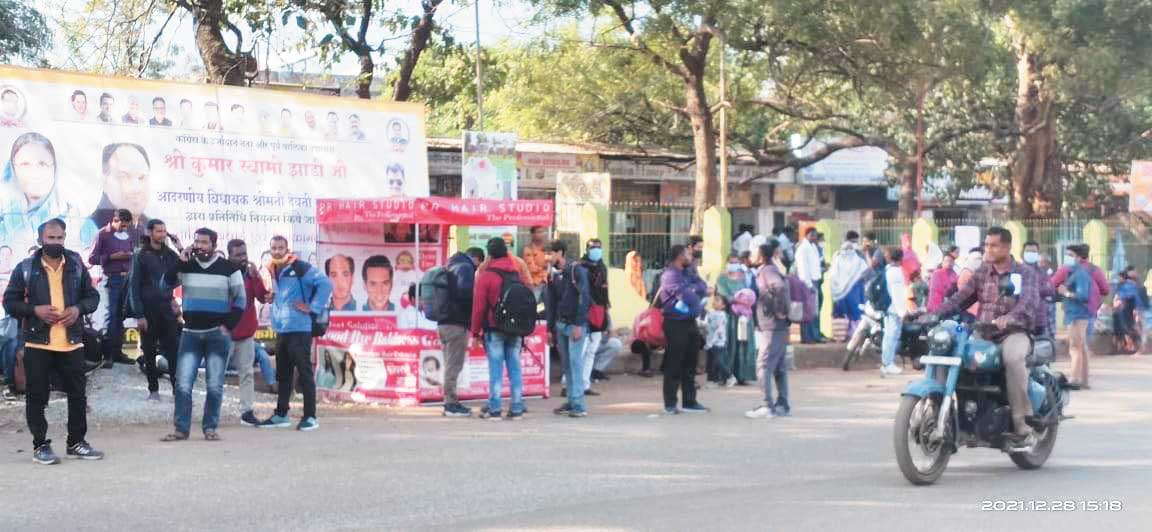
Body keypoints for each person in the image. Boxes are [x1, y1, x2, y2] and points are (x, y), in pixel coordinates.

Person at [927, 227, 1041, 448]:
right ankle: (947, 416)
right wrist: (932, 314)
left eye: (993, 245)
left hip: (1014, 333)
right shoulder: (981, 272)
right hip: (983, 333)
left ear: (1007, 247)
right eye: (986, 244)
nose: (988, 249)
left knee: (1012, 358)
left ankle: (1023, 426)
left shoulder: (1024, 273)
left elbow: (1029, 302)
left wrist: (1010, 316)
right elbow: (960, 298)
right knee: (951, 354)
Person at [2, 219, 104, 464]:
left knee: (78, 396)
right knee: (37, 396)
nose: (56, 243)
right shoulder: (26, 268)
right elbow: (9, 302)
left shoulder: (76, 264)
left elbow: (92, 297)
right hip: (38, 343)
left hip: (72, 342)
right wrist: (35, 310)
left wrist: (79, 309)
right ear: (40, 240)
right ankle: (40, 446)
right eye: (51, 238)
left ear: (64, 238)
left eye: (59, 238)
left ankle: (76, 442)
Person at [161, 228, 245, 442]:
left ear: (214, 245)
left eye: (204, 242)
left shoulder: (229, 268)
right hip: (190, 334)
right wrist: (179, 262)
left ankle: (210, 428)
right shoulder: (186, 265)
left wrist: (228, 326)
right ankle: (181, 429)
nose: (199, 246)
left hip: (218, 335)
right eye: (197, 241)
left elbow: (241, 300)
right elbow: (164, 285)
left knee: (215, 385)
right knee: (182, 384)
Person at [254, 236, 331, 431]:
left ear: (288, 249)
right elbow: (286, 293)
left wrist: (313, 307)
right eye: (274, 248)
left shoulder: (300, 267)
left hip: (300, 329)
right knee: (284, 375)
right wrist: (274, 296)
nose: (277, 251)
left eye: (281, 248)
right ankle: (281, 414)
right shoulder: (274, 268)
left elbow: (325, 283)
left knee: (304, 374)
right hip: (281, 329)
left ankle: (310, 416)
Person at [1, 132, 97, 253]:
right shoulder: (4, 221)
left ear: (54, 168)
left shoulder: (81, 223)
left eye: (42, 164)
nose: (34, 173)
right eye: (25, 164)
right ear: (14, 169)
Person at [470, 237, 531, 420]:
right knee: (514, 368)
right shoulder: (516, 273)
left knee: (496, 369)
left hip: (494, 328)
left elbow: (479, 307)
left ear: (489, 254)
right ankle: (517, 407)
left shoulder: (486, 275)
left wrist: (475, 332)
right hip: (515, 329)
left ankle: (495, 408)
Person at [126, 219, 181, 400]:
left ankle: (177, 390)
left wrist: (179, 246)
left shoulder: (170, 254)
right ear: (150, 233)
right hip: (148, 310)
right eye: (159, 231)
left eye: (164, 231)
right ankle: (153, 390)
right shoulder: (140, 254)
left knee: (173, 350)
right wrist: (139, 314)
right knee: (149, 351)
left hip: (166, 308)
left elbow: (185, 268)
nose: (162, 234)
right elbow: (133, 286)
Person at [658, 244, 709, 414]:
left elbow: (702, 287)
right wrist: (694, 291)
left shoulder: (688, 272)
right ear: (680, 256)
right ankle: (670, 403)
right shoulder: (670, 275)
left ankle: (689, 401)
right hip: (675, 323)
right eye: (687, 253)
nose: (690, 255)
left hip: (690, 322)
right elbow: (688, 297)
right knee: (674, 363)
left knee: (690, 363)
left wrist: (695, 290)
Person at [545, 239, 592, 418]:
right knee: (567, 365)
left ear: (560, 252)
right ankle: (572, 400)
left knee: (575, 363)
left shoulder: (576, 270)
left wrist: (579, 324)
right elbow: (551, 303)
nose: (548, 257)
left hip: (574, 325)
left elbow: (584, 297)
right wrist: (550, 329)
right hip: (560, 325)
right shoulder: (552, 274)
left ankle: (579, 405)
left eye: (551, 253)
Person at [745, 240, 791, 419]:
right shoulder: (771, 269)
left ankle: (767, 405)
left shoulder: (767, 271)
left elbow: (778, 288)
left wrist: (778, 311)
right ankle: (782, 404)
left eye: (753, 252)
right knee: (779, 365)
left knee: (763, 364)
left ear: (761, 255)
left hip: (772, 325)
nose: (750, 256)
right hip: (775, 325)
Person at [225, 239, 269, 427]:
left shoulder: (251, 274)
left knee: (246, 374)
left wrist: (256, 276)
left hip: (246, 333)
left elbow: (262, 297)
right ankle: (211, 412)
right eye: (238, 255)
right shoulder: (223, 273)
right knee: (217, 375)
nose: (243, 258)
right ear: (230, 256)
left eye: (244, 253)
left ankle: (247, 412)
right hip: (224, 332)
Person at [87, 208, 138, 366]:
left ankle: (118, 352)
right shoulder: (102, 234)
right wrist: (111, 257)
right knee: (110, 316)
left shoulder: (129, 234)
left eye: (126, 226)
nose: (124, 228)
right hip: (111, 279)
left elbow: (132, 251)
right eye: (122, 225)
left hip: (126, 279)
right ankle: (107, 355)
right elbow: (92, 258)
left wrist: (131, 255)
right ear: (114, 220)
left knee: (121, 316)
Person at [437, 247, 484, 417]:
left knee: (450, 363)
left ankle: (451, 400)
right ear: (477, 259)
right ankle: (450, 404)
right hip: (456, 323)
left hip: (443, 322)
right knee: (454, 365)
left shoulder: (451, 264)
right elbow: (465, 294)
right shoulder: (465, 268)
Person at [90, 143, 152, 233]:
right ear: (104, 181)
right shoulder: (92, 228)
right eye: (124, 177)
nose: (136, 188)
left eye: (142, 177)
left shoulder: (153, 228)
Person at [574, 239, 610, 397]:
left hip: (599, 312)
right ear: (587, 250)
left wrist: (606, 311)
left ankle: (585, 384)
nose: (596, 250)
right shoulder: (580, 267)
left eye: (598, 248)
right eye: (593, 248)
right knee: (580, 351)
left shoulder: (602, 267)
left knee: (591, 351)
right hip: (584, 312)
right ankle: (568, 383)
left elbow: (604, 290)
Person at [1057, 244, 1094, 389]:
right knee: (1081, 348)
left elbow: (1083, 296)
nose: (1067, 258)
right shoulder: (1074, 272)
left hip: (1077, 314)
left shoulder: (1080, 274)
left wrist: (1065, 293)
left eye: (1070, 255)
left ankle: (1074, 379)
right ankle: (1083, 380)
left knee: (1075, 347)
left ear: (1079, 257)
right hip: (1076, 313)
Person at [716, 253, 756, 385]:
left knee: (744, 345)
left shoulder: (743, 277)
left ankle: (743, 375)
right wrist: (738, 299)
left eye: (736, 262)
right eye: (731, 262)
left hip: (744, 317)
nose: (734, 265)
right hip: (729, 318)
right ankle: (728, 374)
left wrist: (744, 301)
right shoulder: (722, 279)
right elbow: (724, 296)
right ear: (727, 263)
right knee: (731, 345)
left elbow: (749, 294)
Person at [830, 231, 870, 339]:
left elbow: (833, 273)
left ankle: (847, 335)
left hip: (842, 289)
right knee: (855, 310)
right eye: (854, 241)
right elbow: (865, 270)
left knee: (846, 310)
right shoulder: (857, 254)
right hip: (854, 287)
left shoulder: (838, 254)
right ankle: (853, 334)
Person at [879, 247, 908, 377]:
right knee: (892, 336)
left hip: (888, 308)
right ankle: (888, 364)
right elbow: (897, 294)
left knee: (888, 336)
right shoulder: (896, 272)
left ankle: (886, 363)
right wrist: (902, 312)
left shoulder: (888, 270)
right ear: (901, 258)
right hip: (894, 309)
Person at [795, 227, 824, 344]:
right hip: (808, 282)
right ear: (807, 235)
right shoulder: (802, 249)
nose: (815, 237)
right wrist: (808, 284)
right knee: (808, 311)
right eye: (813, 235)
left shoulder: (813, 247)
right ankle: (807, 337)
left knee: (815, 311)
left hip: (816, 281)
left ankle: (815, 335)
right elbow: (803, 268)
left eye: (815, 235)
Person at [1022, 241, 1055, 337]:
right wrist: (1040, 288)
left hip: (1039, 318)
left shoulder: (1042, 271)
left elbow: (1051, 290)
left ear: (1037, 253)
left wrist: (1032, 288)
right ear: (1023, 252)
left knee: (1039, 348)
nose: (1031, 253)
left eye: (1033, 251)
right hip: (1022, 318)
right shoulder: (1017, 270)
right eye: (1028, 251)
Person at [1113, 266, 1145, 353]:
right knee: (1127, 327)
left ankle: (1138, 346)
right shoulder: (1122, 285)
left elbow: (1132, 297)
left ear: (1123, 277)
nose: (1117, 279)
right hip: (1125, 310)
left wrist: (1120, 300)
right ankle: (1131, 345)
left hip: (1132, 309)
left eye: (1119, 277)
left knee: (1132, 327)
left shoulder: (1129, 285)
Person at [703, 296, 729, 386]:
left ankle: (729, 376)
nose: (715, 302)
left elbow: (719, 330)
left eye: (718, 301)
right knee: (711, 362)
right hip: (710, 342)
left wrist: (712, 342)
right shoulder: (711, 313)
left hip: (718, 342)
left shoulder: (722, 315)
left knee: (717, 361)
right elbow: (707, 325)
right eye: (715, 300)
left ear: (723, 306)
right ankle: (713, 380)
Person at [522, 225, 550, 302]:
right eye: (539, 232)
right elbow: (532, 269)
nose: (541, 234)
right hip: (535, 283)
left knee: (549, 309)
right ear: (533, 235)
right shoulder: (528, 249)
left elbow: (548, 265)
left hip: (546, 282)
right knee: (533, 307)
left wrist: (544, 268)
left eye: (542, 232)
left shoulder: (546, 249)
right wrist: (543, 268)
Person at [927, 248, 959, 313]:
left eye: (951, 261)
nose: (949, 263)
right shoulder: (937, 273)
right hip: (936, 305)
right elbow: (938, 290)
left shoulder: (954, 274)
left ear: (953, 263)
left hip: (948, 306)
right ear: (942, 262)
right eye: (946, 261)